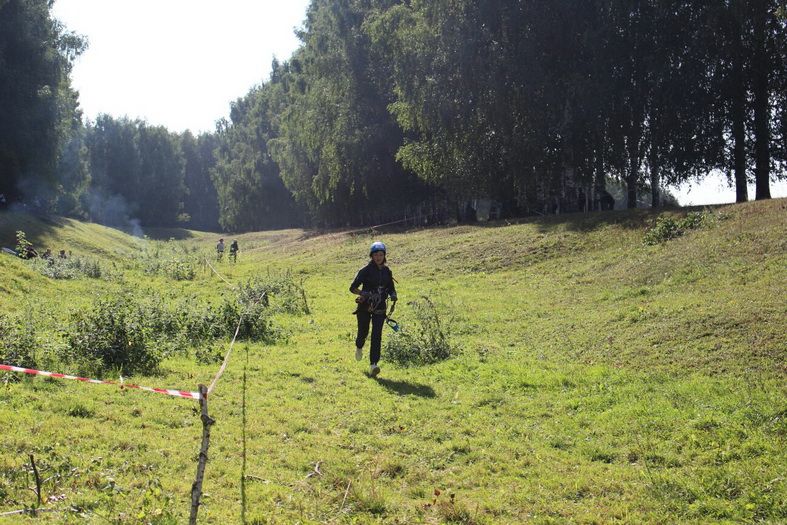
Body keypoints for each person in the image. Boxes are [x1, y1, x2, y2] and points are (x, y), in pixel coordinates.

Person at [350, 241, 398, 377]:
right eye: (376, 254)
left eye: (381, 254)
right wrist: (362, 294)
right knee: (363, 333)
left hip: (380, 308)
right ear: (372, 256)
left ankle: (373, 364)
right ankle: (359, 346)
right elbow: (352, 287)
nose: (378, 257)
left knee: (377, 335)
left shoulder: (387, 272)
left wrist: (393, 295)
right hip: (365, 306)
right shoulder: (364, 271)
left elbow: (390, 288)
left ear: (384, 256)